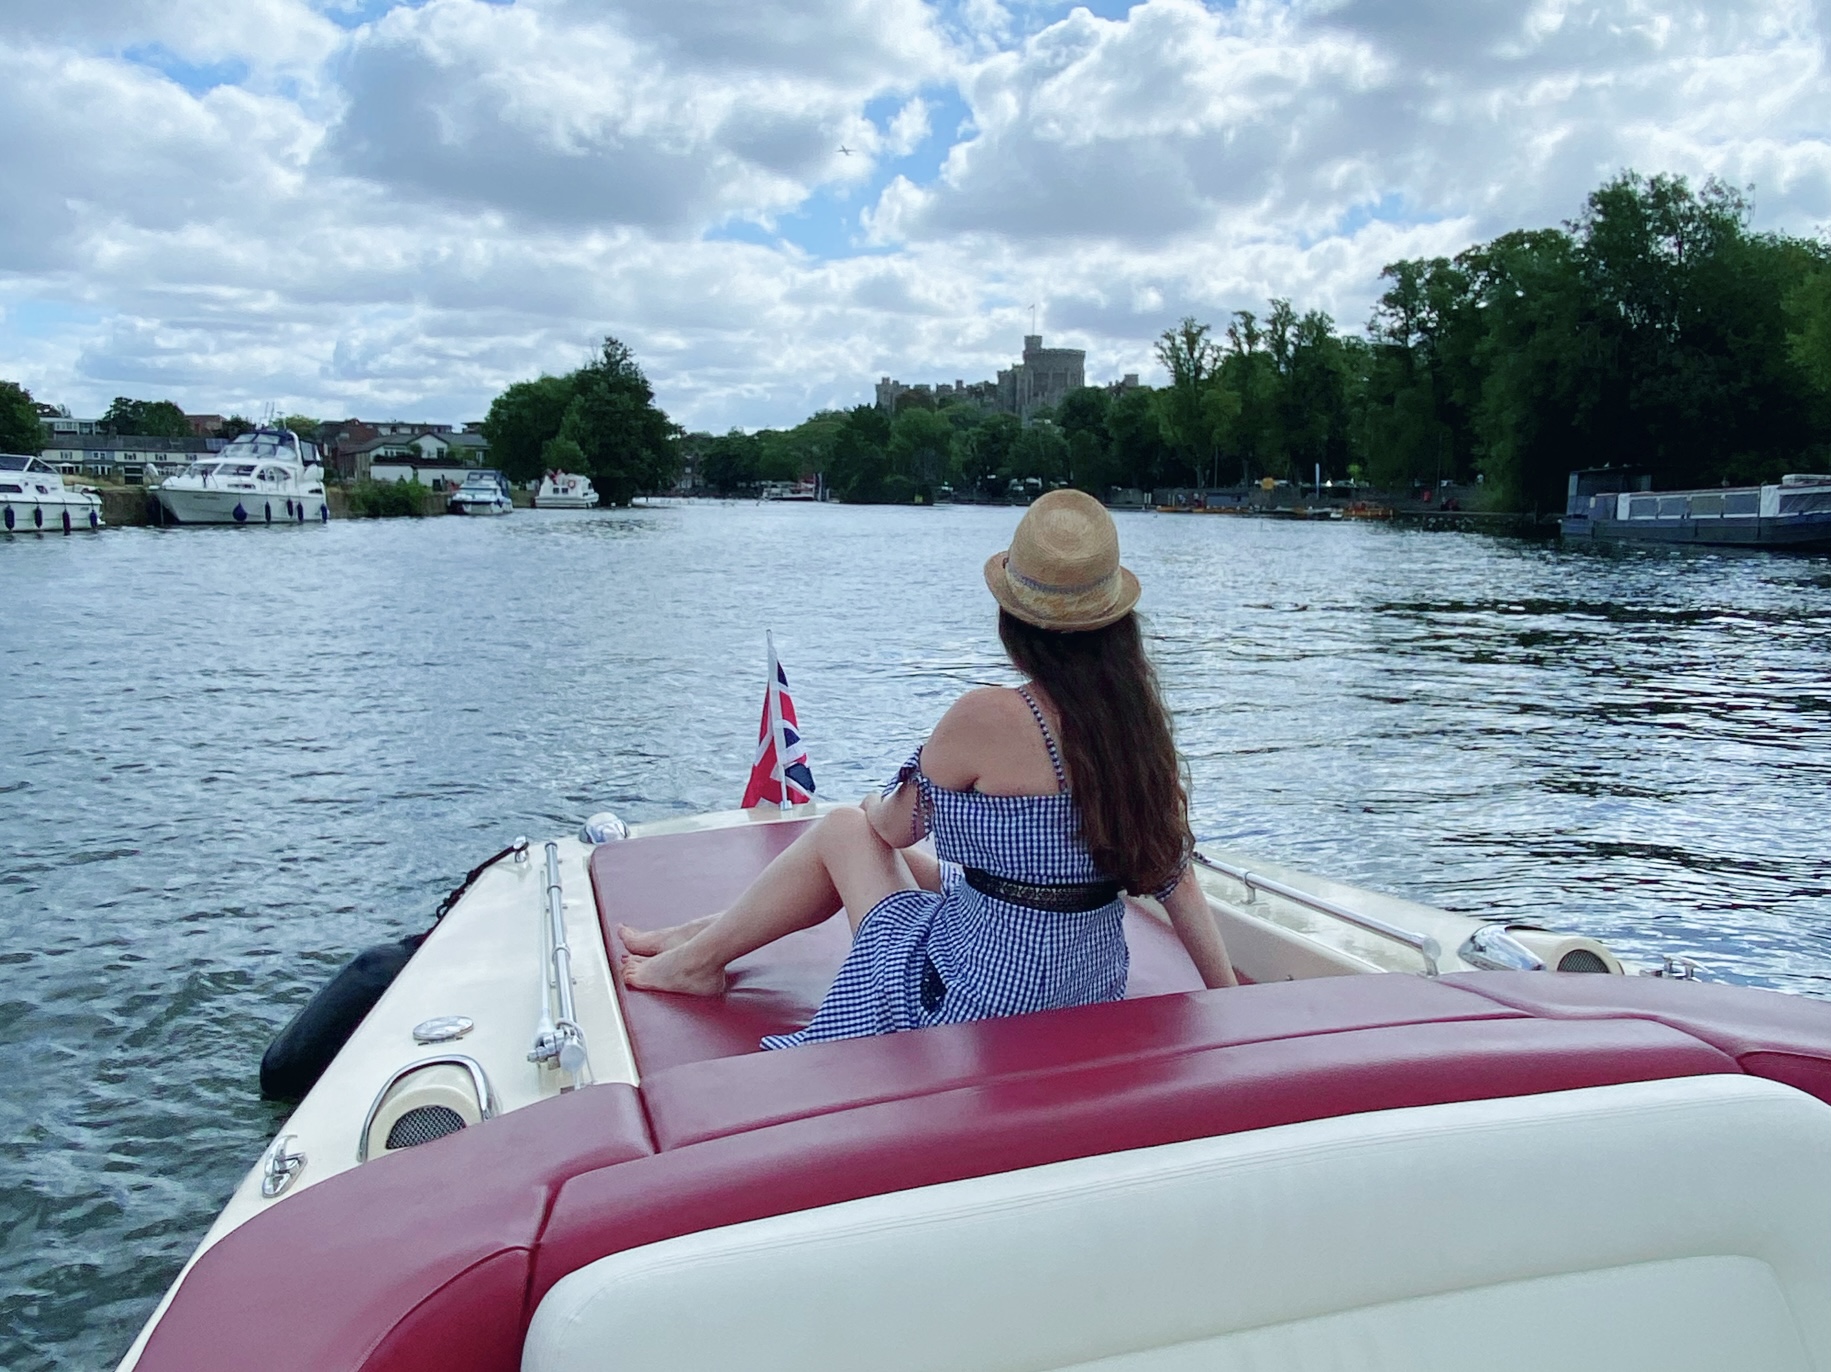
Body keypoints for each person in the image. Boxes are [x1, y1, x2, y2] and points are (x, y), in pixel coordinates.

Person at [621, 489, 1238, 1047]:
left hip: (975, 1001)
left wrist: (870, 805)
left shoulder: (988, 716)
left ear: (1014, 619)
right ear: (1114, 623)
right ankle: (706, 936)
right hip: (1086, 988)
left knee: (843, 829)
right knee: (935, 873)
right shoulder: (1137, 733)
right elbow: (1175, 879)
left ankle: (698, 961)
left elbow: (890, 828)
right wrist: (1235, 1008)